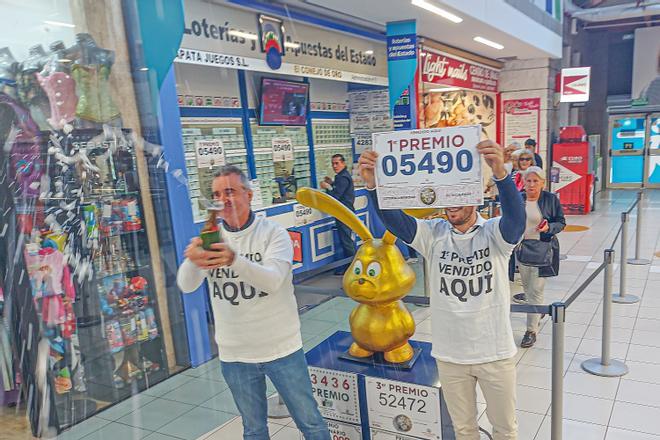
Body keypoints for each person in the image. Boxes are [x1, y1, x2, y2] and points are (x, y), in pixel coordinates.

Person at [358, 140, 526, 440]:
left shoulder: (494, 234)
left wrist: (501, 174)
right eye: (446, 195)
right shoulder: (432, 235)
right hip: (450, 355)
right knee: (463, 430)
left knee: (505, 429)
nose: (452, 202)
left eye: (459, 194)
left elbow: (516, 221)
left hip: (494, 353)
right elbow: (395, 220)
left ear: (474, 198)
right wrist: (374, 187)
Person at [176, 165, 330, 440]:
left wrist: (234, 259)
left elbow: (273, 280)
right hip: (235, 355)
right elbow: (187, 285)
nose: (224, 199)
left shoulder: (274, 233)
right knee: (254, 430)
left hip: (281, 349)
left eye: (231, 191)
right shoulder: (211, 238)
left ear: (248, 194)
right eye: (217, 194)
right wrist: (193, 259)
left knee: (311, 423)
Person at [510, 167, 565, 348]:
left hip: (543, 250)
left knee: (535, 292)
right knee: (527, 290)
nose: (531, 184)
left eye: (536, 181)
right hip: (522, 250)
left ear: (542, 182)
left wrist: (549, 227)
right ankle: (537, 310)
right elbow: (510, 220)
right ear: (523, 182)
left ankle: (531, 331)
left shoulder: (550, 199)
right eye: (528, 181)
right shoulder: (519, 198)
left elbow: (561, 222)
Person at [320, 154, 356, 265]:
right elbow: (340, 189)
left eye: (337, 163)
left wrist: (327, 188)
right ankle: (350, 265)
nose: (334, 166)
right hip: (346, 212)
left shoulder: (342, 177)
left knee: (346, 241)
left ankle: (352, 266)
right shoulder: (342, 175)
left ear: (343, 163)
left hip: (344, 212)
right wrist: (332, 183)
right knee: (346, 240)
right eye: (333, 164)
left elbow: (336, 197)